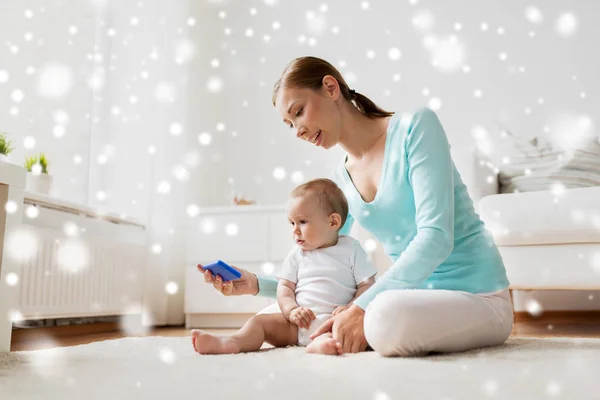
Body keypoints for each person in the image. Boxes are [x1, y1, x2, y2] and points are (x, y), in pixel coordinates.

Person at [198, 56, 513, 357]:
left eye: (299, 112)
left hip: (478, 296)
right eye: (289, 124)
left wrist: (361, 308)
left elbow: (436, 238)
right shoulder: (339, 180)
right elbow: (324, 256)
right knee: (279, 317)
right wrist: (254, 285)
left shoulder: (415, 127)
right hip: (413, 299)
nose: (298, 131)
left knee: (382, 318)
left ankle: (365, 325)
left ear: (331, 88)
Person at [192, 178, 376, 355]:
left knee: (344, 333)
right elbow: (285, 287)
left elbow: (367, 285)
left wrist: (352, 308)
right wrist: (291, 310)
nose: (295, 230)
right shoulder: (297, 254)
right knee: (258, 323)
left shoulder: (352, 249)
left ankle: (322, 343)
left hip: (335, 320)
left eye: (302, 222)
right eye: (292, 223)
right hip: (297, 325)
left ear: (333, 222)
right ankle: (233, 342)